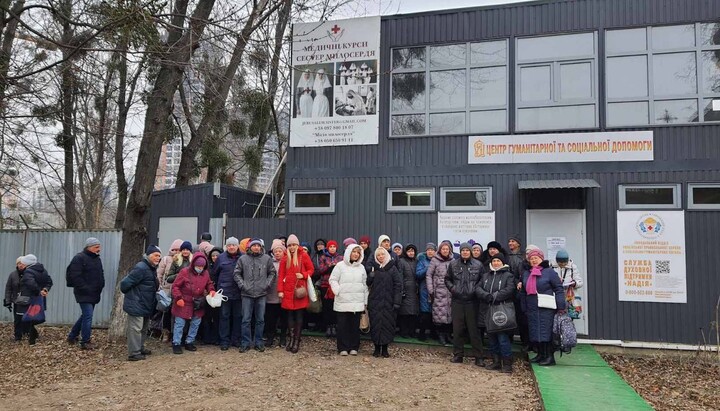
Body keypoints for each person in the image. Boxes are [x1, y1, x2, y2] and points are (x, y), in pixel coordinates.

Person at [519, 248, 566, 366]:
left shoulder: (549, 272)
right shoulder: (527, 273)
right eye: (531, 259)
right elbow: (524, 291)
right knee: (535, 331)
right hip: (532, 306)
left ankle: (549, 357)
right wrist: (524, 306)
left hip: (547, 307)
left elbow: (558, 289)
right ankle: (540, 354)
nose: (534, 260)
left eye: (536, 258)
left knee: (546, 331)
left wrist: (561, 306)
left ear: (541, 259)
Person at [234, 238, 276, 352]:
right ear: (250, 247)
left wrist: (266, 285)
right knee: (246, 320)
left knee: (260, 320)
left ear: (261, 247)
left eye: (258, 245)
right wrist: (243, 286)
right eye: (254, 245)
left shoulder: (266, 259)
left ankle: (258, 342)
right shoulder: (243, 259)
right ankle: (245, 342)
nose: (256, 247)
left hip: (261, 294)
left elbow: (272, 273)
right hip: (246, 294)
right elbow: (237, 273)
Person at [476, 253, 516, 373]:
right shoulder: (486, 275)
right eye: (494, 261)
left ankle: (507, 364)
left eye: (498, 261)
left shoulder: (508, 275)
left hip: (501, 310)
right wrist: (486, 296)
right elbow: (478, 288)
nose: (496, 263)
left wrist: (494, 296)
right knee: (491, 338)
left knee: (503, 339)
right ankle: (496, 361)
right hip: (487, 310)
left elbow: (510, 289)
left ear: (502, 263)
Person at [121, 246, 161, 361]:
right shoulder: (141, 268)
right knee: (135, 329)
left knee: (143, 328)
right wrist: (135, 296)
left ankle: (140, 348)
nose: (158, 258)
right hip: (137, 303)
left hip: (145, 304)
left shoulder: (150, 268)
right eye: (155, 255)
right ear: (148, 255)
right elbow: (124, 284)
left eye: (159, 256)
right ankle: (134, 353)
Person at [445, 243, 483, 365]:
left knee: (474, 331)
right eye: (463, 250)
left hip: (472, 302)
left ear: (471, 252)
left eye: (467, 250)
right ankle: (458, 355)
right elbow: (447, 279)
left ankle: (479, 357)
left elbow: (482, 280)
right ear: (460, 252)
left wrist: (475, 290)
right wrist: (453, 289)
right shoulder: (453, 264)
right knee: (457, 330)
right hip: (457, 301)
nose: (465, 252)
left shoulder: (478, 265)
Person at [171, 252, 215, 354]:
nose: (200, 268)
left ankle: (189, 341)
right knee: (179, 324)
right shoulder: (184, 272)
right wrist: (178, 298)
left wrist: (211, 290)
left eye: (202, 266)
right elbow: (175, 286)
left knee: (195, 323)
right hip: (184, 301)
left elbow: (209, 283)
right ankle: (176, 343)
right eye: (198, 266)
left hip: (198, 302)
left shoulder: (206, 273)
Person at [66, 237, 105, 350]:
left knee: (85, 315)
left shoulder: (96, 259)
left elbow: (100, 273)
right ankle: (85, 341)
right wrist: (85, 288)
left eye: (99, 246)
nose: (99, 249)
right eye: (96, 247)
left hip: (94, 292)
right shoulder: (79, 258)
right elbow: (75, 276)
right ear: (89, 247)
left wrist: (101, 285)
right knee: (88, 315)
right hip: (83, 293)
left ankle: (72, 336)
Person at [329, 244, 368, 356]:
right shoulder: (340, 266)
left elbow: (364, 285)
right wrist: (338, 290)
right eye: (353, 252)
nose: (355, 254)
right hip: (343, 301)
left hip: (357, 301)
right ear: (348, 252)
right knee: (342, 326)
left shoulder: (361, 267)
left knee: (354, 326)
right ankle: (342, 347)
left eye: (358, 253)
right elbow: (333, 279)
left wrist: (365, 301)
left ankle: (354, 347)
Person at [278, 234, 314, 354]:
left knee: (299, 317)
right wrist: (280, 291)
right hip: (288, 291)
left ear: (297, 245)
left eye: (294, 245)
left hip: (299, 291)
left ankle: (297, 341)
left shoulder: (303, 255)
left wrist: (303, 275)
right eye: (290, 245)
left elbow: (311, 270)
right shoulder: (284, 258)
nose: (292, 247)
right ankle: (291, 339)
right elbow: (281, 276)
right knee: (289, 316)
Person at [367, 247, 402, 358]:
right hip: (375, 302)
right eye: (378, 255)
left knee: (388, 324)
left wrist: (397, 301)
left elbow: (398, 285)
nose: (380, 257)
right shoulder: (374, 268)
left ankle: (385, 349)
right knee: (376, 324)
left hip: (389, 302)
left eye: (382, 254)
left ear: (386, 255)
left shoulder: (393, 269)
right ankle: (376, 348)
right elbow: (368, 284)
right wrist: (370, 277)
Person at [16, 254, 53, 345]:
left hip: (29, 298)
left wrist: (39, 291)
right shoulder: (43, 270)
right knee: (33, 316)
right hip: (39, 298)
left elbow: (30, 283)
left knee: (26, 317)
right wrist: (45, 289)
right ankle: (33, 336)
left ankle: (32, 337)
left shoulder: (28, 272)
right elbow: (49, 282)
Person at [213, 237, 242, 350]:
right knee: (224, 317)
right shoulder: (220, 258)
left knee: (238, 317)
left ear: (237, 246)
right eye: (229, 245)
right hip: (224, 293)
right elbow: (215, 274)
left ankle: (236, 339)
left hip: (239, 292)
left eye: (233, 245)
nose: (231, 247)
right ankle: (224, 341)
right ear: (226, 246)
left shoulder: (243, 257)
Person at [426, 241, 454, 346]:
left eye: (447, 249)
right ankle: (441, 336)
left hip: (450, 291)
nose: (445, 251)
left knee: (449, 314)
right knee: (439, 315)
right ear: (440, 250)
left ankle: (448, 335)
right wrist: (431, 290)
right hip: (438, 292)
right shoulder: (435, 260)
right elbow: (429, 275)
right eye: (443, 249)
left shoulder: (453, 260)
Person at [507, 235, 530, 349]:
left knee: (522, 317)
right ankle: (509, 338)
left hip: (521, 291)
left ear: (518, 244)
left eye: (513, 241)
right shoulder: (507, 257)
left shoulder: (523, 257)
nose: (510, 243)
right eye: (509, 241)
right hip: (509, 290)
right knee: (509, 315)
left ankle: (525, 341)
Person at [265, 239, 288, 348]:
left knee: (284, 318)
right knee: (271, 318)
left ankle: (283, 338)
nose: (278, 253)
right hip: (271, 295)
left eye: (280, 251)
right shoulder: (269, 262)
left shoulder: (288, 262)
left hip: (284, 296)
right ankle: (270, 337)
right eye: (276, 251)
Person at [319, 240, 342, 337]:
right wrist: (329, 266)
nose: (332, 248)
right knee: (327, 307)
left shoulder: (340, 257)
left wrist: (336, 267)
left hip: (337, 285)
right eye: (330, 246)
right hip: (325, 285)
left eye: (334, 246)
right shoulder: (323, 257)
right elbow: (320, 270)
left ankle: (335, 326)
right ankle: (328, 326)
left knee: (335, 306)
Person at [552, 249, 584, 319]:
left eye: (565, 262)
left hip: (569, 298)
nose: (563, 264)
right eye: (560, 263)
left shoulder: (572, 267)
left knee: (568, 318)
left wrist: (574, 283)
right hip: (555, 296)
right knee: (554, 318)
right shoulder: (551, 266)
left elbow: (580, 282)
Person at [415, 243, 436, 341]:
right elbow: (418, 274)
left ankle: (433, 333)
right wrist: (427, 268)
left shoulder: (437, 261)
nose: (430, 251)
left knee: (434, 313)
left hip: (436, 290)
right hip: (424, 290)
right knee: (425, 313)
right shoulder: (422, 261)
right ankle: (422, 334)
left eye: (432, 250)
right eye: (428, 250)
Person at [397, 244, 419, 338]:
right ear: (406, 252)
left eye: (412, 251)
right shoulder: (401, 261)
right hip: (406, 290)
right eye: (409, 251)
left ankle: (412, 331)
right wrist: (402, 290)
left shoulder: (416, 261)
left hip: (415, 290)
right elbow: (400, 276)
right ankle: (404, 332)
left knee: (413, 313)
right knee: (404, 313)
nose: (411, 253)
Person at [4, 257, 24, 341]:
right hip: (17, 300)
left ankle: (28, 333)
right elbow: (8, 288)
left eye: (22, 263)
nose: (21, 265)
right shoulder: (13, 275)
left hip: (27, 300)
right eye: (19, 263)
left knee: (27, 318)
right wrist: (8, 301)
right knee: (17, 319)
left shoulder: (29, 274)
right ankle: (18, 336)